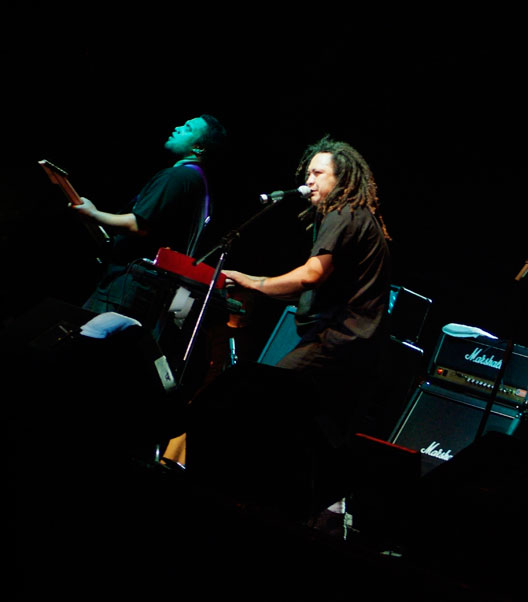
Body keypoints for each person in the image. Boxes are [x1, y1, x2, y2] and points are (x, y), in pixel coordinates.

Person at [183, 136, 391, 514]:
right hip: (356, 351)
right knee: (307, 430)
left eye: (318, 173)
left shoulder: (342, 214)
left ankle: (232, 493)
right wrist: (259, 288)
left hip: (337, 341)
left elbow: (311, 275)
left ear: (342, 179)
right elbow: (312, 290)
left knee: (257, 396)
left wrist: (252, 281)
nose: (309, 181)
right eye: (307, 173)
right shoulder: (357, 217)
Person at [72, 114, 227, 328]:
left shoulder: (178, 177)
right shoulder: (199, 184)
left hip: (127, 286)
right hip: (147, 293)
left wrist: (93, 214)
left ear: (199, 148)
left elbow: (139, 225)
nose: (178, 126)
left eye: (188, 128)